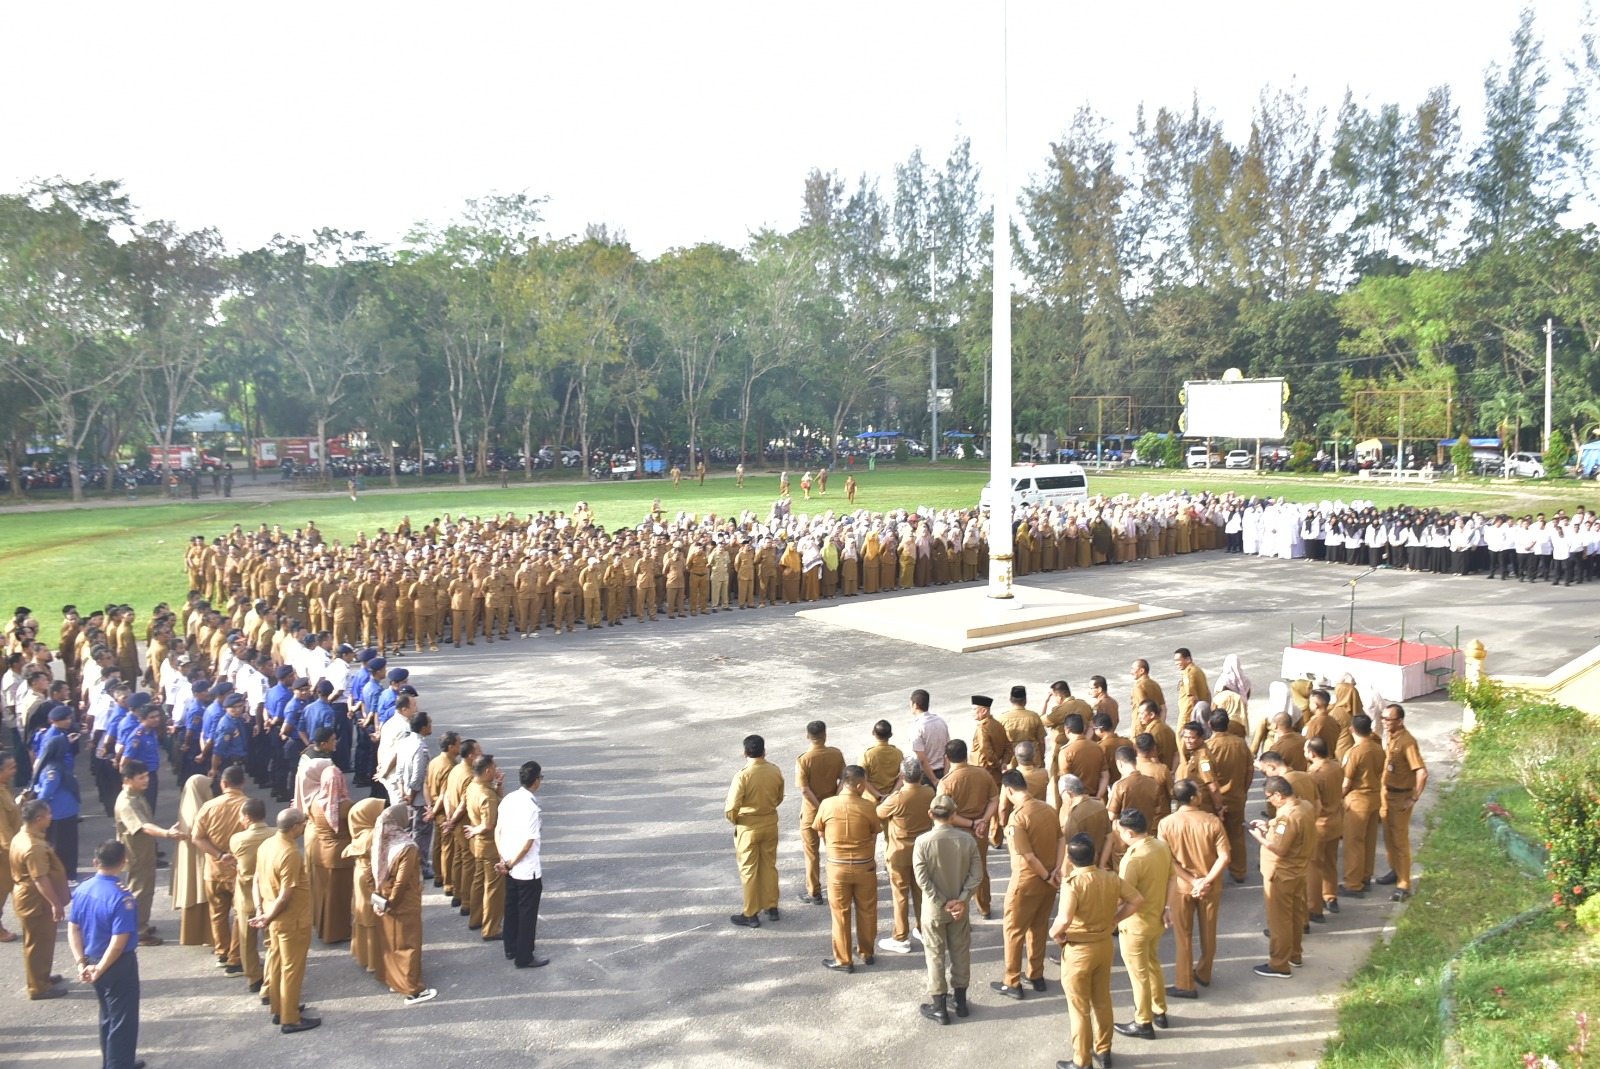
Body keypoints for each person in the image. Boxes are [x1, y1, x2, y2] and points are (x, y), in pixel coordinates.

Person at [1050, 833, 1144, 1069]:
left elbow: (1063, 920)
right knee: (1102, 1000)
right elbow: (1137, 900)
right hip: (1103, 946)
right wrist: (1115, 920)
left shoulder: (1072, 884)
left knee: (1079, 1008)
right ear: (1093, 855)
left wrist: (1054, 933)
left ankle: (1082, 1060)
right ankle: (1104, 1050)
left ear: (1070, 859)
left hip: (1079, 950)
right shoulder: (1110, 878)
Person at [67, 839, 142, 1069]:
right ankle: (119, 1065)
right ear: (124, 862)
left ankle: (112, 1061)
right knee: (123, 1021)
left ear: (95, 862)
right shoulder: (122, 898)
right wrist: (101, 968)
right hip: (116, 964)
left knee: (108, 1016)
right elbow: (118, 943)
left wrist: (82, 964)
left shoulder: (83, 888)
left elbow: (74, 928)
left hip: (92, 960)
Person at [912, 793, 983, 1025]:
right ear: (954, 815)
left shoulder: (922, 842)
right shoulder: (967, 840)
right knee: (960, 952)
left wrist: (942, 902)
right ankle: (961, 1002)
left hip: (934, 909)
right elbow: (977, 875)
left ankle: (939, 1006)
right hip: (960, 910)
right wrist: (961, 900)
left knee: (935, 955)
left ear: (931, 814)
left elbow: (922, 879)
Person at [990, 768, 1060, 1000]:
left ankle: (1012, 981)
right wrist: (1055, 872)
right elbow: (1062, 840)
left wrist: (1046, 875)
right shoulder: (1048, 809)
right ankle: (1036, 975)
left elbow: (1028, 857)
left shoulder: (1018, 817)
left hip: (1027, 882)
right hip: (1049, 882)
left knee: (1014, 931)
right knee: (1039, 928)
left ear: (1008, 791)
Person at [250, 808, 321, 1033]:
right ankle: (291, 1019)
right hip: (291, 920)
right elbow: (285, 894)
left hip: (274, 917)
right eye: (303, 822)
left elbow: (256, 879)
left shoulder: (267, 844)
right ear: (294, 828)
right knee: (292, 969)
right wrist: (267, 916)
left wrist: (262, 910)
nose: (305, 825)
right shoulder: (289, 853)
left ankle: (280, 1009)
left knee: (279, 966)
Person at [1158, 778, 1229, 998]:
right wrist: (1205, 881)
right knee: (1209, 932)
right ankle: (1204, 972)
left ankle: (1185, 983)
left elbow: (1167, 859)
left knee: (1183, 935)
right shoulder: (1211, 821)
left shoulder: (1166, 824)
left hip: (1181, 887)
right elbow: (1225, 856)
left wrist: (1191, 880)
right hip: (1210, 886)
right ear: (1193, 798)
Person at [1113, 808, 1175, 1039]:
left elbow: (1124, 897)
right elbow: (1172, 878)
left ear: (1129, 833)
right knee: (1153, 966)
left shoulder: (1133, 859)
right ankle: (1160, 1011)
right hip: (1157, 919)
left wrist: (1113, 919)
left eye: (1120, 830)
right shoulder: (1161, 846)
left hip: (1135, 926)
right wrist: (1168, 908)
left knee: (1138, 975)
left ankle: (1143, 1022)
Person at [812, 765, 882, 972]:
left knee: (840, 914)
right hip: (864, 866)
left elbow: (820, 831)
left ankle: (844, 959)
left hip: (837, 867)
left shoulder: (827, 804)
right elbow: (874, 833)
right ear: (860, 786)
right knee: (867, 910)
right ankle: (866, 951)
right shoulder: (868, 806)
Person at [112, 759, 184, 947]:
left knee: (144, 889)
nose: (146, 780)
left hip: (142, 850)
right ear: (128, 780)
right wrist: (167, 833)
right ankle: (138, 930)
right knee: (140, 891)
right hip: (136, 853)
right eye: (141, 777)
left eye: (146, 776)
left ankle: (140, 923)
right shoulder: (127, 802)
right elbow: (143, 826)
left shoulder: (136, 794)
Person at [1250, 775, 1315, 978]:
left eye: (1270, 797)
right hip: (1298, 870)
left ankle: (1279, 964)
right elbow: (1289, 833)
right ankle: (1295, 955)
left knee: (1279, 921)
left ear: (1278, 794)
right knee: (1295, 916)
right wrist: (1269, 826)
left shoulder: (1286, 816)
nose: (1270, 801)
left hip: (1281, 873)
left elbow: (1279, 848)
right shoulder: (1305, 806)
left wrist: (1259, 837)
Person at [374, 803, 437, 1005]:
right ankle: (413, 990)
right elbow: (402, 881)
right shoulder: (406, 847)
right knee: (409, 943)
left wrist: (383, 901)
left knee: (392, 941)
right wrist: (393, 902)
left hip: (384, 895)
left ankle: (395, 979)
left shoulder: (382, 839)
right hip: (403, 900)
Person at [192, 763, 252, 970]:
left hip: (214, 869)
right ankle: (236, 958)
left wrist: (219, 855)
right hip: (239, 870)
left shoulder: (208, 806)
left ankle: (223, 952)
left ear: (223, 783)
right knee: (240, 914)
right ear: (243, 782)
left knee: (217, 914)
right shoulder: (248, 806)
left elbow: (197, 838)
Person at [11, 798, 69, 999]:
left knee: (42, 942)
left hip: (32, 898)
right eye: (48, 815)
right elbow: (40, 878)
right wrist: (55, 904)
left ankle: (42, 977)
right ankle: (38, 987)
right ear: (38, 819)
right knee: (37, 944)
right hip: (36, 901)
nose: (51, 818)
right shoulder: (32, 846)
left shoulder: (24, 835)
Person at [875, 757, 934, 954]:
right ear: (921, 775)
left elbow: (879, 814)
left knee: (900, 895)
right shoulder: (929, 793)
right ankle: (923, 929)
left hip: (899, 852)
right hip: (922, 851)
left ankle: (901, 936)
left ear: (901, 776)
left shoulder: (897, 798)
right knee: (921, 892)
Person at [726, 735, 784, 928]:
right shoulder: (774, 770)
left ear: (745, 754)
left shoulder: (743, 775)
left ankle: (751, 913)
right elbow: (778, 797)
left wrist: (737, 821)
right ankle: (772, 906)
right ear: (764, 752)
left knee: (749, 870)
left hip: (748, 826)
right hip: (769, 823)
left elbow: (731, 807)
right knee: (769, 865)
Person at [937, 739, 998, 918]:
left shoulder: (946, 783)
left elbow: (947, 816)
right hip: (980, 832)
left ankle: (961, 914)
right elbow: (994, 799)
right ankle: (984, 907)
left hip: (957, 833)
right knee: (980, 870)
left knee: (957, 875)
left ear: (946, 758)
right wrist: (983, 821)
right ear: (966, 754)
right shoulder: (983, 774)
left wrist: (972, 824)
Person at [495, 760, 548, 968]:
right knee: (527, 913)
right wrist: (510, 863)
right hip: (525, 868)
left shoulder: (508, 799)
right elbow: (528, 843)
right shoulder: (531, 807)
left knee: (511, 907)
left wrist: (503, 859)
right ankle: (524, 955)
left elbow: (498, 830)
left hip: (508, 862)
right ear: (536, 781)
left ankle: (511, 947)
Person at [1377, 703, 1427, 902]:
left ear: (1400, 721)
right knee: (1388, 838)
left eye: (1389, 719)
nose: (1385, 722)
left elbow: (1422, 773)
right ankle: (1395, 870)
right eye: (1383, 718)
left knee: (1399, 841)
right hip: (1387, 794)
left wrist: (1413, 798)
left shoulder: (1407, 742)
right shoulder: (1391, 737)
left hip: (1401, 797)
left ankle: (1404, 883)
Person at [795, 720, 844, 905]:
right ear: (825, 736)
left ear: (808, 737)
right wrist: (833, 800)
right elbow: (843, 780)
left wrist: (819, 807)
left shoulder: (803, 760)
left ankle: (814, 891)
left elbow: (804, 790)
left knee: (812, 853)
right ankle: (839, 885)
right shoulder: (836, 754)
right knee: (834, 849)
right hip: (832, 811)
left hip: (811, 813)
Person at [230, 798, 274, 992]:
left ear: (247, 818)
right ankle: (272, 977)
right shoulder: (275, 835)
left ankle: (253, 977)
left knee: (247, 940)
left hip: (246, 894)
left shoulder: (237, 839)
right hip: (269, 894)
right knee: (271, 940)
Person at [307, 763, 355, 943]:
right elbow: (355, 827)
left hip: (319, 852)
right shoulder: (345, 806)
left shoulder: (315, 803)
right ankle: (338, 932)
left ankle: (321, 928)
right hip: (340, 855)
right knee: (339, 896)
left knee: (323, 894)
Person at [1340, 713, 1385, 895]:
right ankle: (1366, 876)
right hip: (1374, 798)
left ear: (1351, 730)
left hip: (1357, 801)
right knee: (1369, 841)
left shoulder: (1355, 752)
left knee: (1353, 843)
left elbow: (1347, 782)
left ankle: (1353, 883)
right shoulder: (1378, 748)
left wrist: (1338, 799)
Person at [464, 753, 505, 940]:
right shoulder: (486, 796)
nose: (496, 770)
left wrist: (498, 785)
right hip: (490, 846)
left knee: (479, 882)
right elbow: (488, 824)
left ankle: (476, 918)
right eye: (494, 768)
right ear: (488, 770)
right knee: (494, 889)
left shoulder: (473, 787)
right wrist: (475, 830)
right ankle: (491, 928)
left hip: (478, 846)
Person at [343, 797, 386, 973]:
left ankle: (365, 955)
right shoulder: (372, 835)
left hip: (360, 875)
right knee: (373, 918)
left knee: (364, 916)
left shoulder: (359, 832)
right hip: (371, 878)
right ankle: (375, 960)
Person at [172, 773, 215, 946]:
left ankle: (193, 935)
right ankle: (208, 936)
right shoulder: (201, 811)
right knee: (204, 894)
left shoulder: (186, 808)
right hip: (201, 858)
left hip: (189, 859)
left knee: (192, 891)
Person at [0, 750, 20, 942]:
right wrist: (13, 849)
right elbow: (2, 827)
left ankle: (29, 914)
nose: (14, 771)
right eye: (10, 768)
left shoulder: (5, 787)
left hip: (11, 846)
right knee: (2, 889)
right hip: (4, 851)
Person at [1173, 648, 1210, 723]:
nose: (1176, 663)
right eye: (1175, 660)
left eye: (1178, 660)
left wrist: (1194, 715)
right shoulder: (1198, 670)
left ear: (1188, 659)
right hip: (1203, 710)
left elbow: (1192, 697)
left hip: (1188, 713)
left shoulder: (1188, 673)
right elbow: (1207, 693)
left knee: (1180, 733)